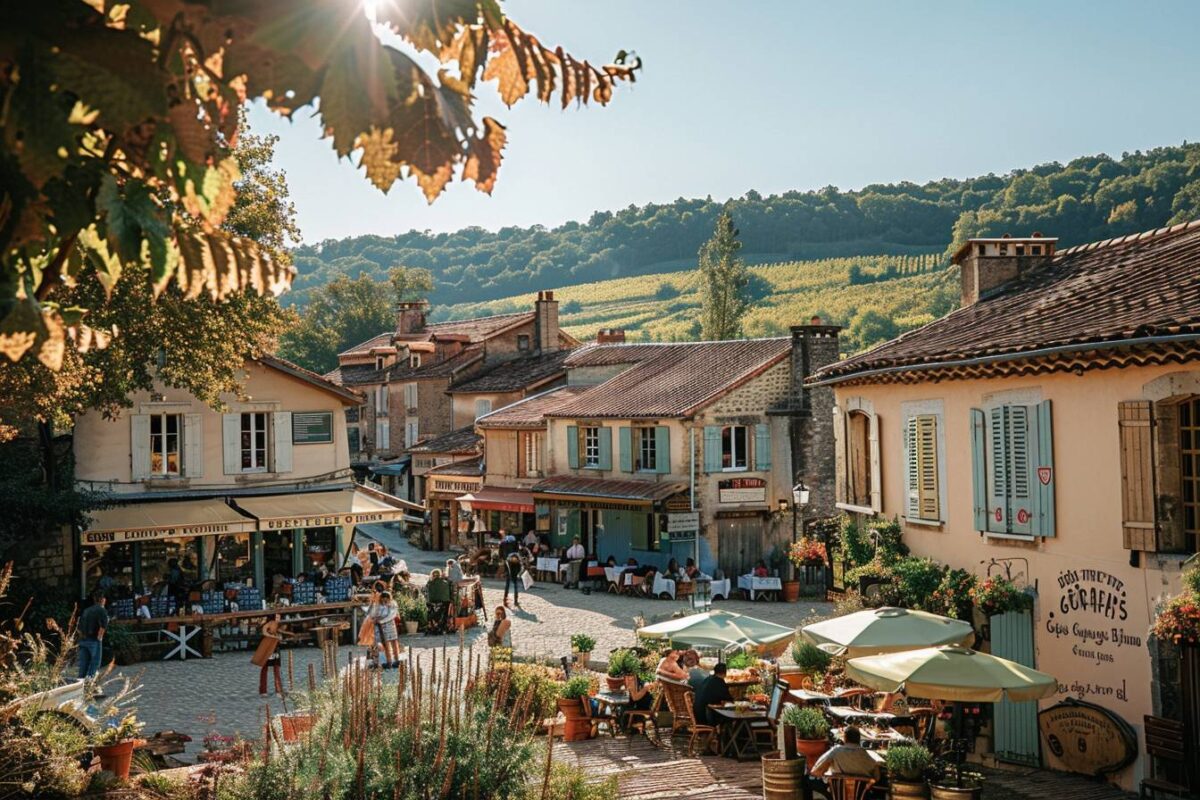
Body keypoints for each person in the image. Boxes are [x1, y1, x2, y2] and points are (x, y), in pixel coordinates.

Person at [809, 726, 881, 781]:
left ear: (845, 738)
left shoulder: (836, 751)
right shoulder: (867, 756)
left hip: (838, 793)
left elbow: (816, 771)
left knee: (810, 781)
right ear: (859, 739)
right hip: (859, 795)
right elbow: (877, 777)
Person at [77, 591, 108, 681]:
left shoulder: (86, 610)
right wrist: (99, 638)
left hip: (83, 640)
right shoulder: (102, 610)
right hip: (94, 640)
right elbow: (103, 626)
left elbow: (79, 626)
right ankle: (90, 684)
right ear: (103, 600)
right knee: (95, 663)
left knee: (83, 664)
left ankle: (79, 684)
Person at [254, 614, 284, 695]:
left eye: (279, 617)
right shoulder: (268, 624)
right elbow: (264, 632)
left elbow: (280, 635)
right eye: (277, 617)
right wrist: (273, 637)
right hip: (267, 647)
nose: (279, 618)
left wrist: (279, 637)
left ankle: (278, 690)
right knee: (265, 668)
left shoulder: (278, 625)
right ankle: (263, 691)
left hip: (275, 648)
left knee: (276, 668)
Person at [372, 591, 401, 669]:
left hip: (390, 626)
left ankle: (397, 660)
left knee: (394, 643)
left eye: (386, 599)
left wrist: (380, 620)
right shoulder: (379, 605)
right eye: (383, 599)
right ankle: (389, 661)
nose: (384, 601)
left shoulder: (393, 604)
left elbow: (392, 615)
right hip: (383, 628)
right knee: (386, 644)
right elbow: (375, 615)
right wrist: (376, 619)